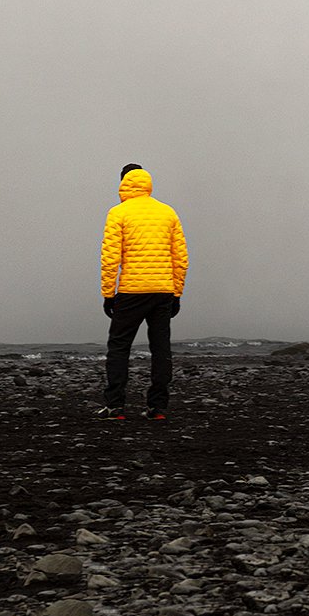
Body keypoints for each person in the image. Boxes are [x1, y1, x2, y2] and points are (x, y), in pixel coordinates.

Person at [100, 162, 188, 421]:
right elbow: (180, 257)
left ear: (122, 182)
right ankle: (158, 408)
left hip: (131, 291)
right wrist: (177, 292)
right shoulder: (167, 212)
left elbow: (110, 258)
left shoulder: (118, 213)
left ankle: (115, 406)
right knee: (161, 349)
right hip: (162, 291)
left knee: (119, 347)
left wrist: (108, 293)